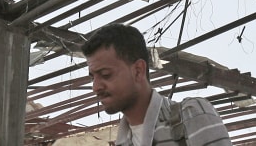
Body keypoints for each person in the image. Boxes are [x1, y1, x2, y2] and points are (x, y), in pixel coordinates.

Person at [81, 23, 232, 146]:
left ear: (138, 71)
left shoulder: (190, 116)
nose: (95, 87)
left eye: (106, 75)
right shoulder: (123, 142)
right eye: (92, 77)